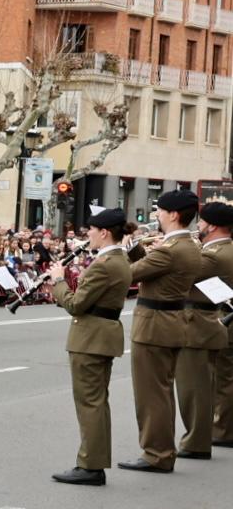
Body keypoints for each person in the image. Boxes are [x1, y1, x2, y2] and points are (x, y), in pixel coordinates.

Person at [118, 190, 203, 474]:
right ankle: (162, 450)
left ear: (174, 214)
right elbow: (152, 270)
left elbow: (129, 275)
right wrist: (134, 250)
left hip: (155, 324)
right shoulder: (187, 245)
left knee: (151, 394)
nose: (157, 215)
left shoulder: (170, 249)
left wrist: (118, 252)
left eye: (160, 211)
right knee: (162, 391)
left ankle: (157, 453)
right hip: (171, 321)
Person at [48, 208, 133, 486]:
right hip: (101, 336)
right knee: (96, 402)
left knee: (89, 403)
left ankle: (91, 465)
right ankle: (93, 461)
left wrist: (58, 280)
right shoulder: (119, 259)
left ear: (104, 232)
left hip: (91, 338)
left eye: (92, 231)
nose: (89, 236)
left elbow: (75, 304)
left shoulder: (105, 263)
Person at [176, 201, 233, 457]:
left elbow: (177, 274)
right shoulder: (222, 249)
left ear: (212, 225)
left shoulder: (215, 254)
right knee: (223, 380)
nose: (197, 225)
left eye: (201, 221)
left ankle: (214, 433)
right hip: (220, 318)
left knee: (210, 383)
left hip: (215, 319)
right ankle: (223, 430)